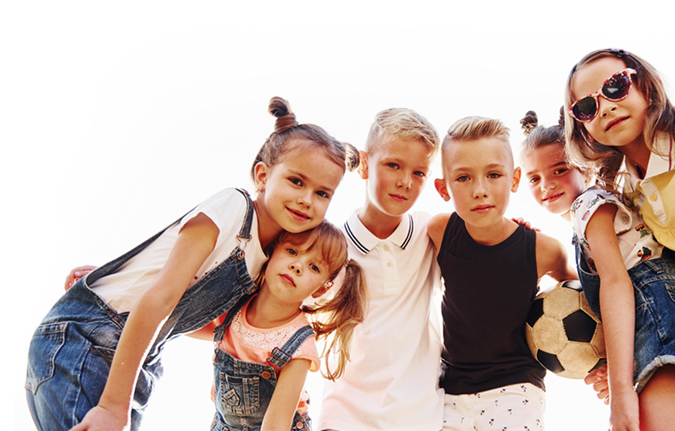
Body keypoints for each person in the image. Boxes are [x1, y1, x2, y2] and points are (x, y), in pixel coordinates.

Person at [25, 97, 355, 431]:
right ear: (262, 175)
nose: (306, 199)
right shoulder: (233, 207)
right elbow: (158, 298)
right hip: (88, 340)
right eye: (296, 181)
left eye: (322, 193)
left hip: (136, 360)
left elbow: (215, 326)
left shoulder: (267, 263)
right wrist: (112, 406)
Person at [519, 110, 675, 431]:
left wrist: (620, 389)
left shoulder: (589, 206)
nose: (546, 185)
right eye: (534, 178)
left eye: (559, 170)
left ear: (584, 167)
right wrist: (620, 362)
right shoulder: (591, 216)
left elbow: (617, 281)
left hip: (666, 327)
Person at [563, 48, 675, 336]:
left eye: (615, 86)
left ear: (648, 88)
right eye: (587, 107)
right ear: (584, 127)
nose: (605, 108)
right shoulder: (627, 192)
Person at [427, 116, 575, 431]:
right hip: (449, 389)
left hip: (517, 387)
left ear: (515, 180)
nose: (480, 190)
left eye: (494, 174)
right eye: (463, 178)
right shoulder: (439, 231)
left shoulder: (544, 250)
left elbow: (582, 299)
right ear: (443, 188)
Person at [318, 107, 447, 431]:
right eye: (393, 165)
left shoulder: (430, 232)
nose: (405, 181)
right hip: (344, 417)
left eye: (419, 173)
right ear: (364, 164)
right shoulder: (329, 247)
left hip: (421, 419)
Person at [188, 221, 366, 431]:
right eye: (292, 251)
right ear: (272, 251)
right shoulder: (236, 306)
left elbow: (276, 426)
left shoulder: (298, 348)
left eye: (314, 267)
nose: (297, 266)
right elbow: (190, 326)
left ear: (320, 289)